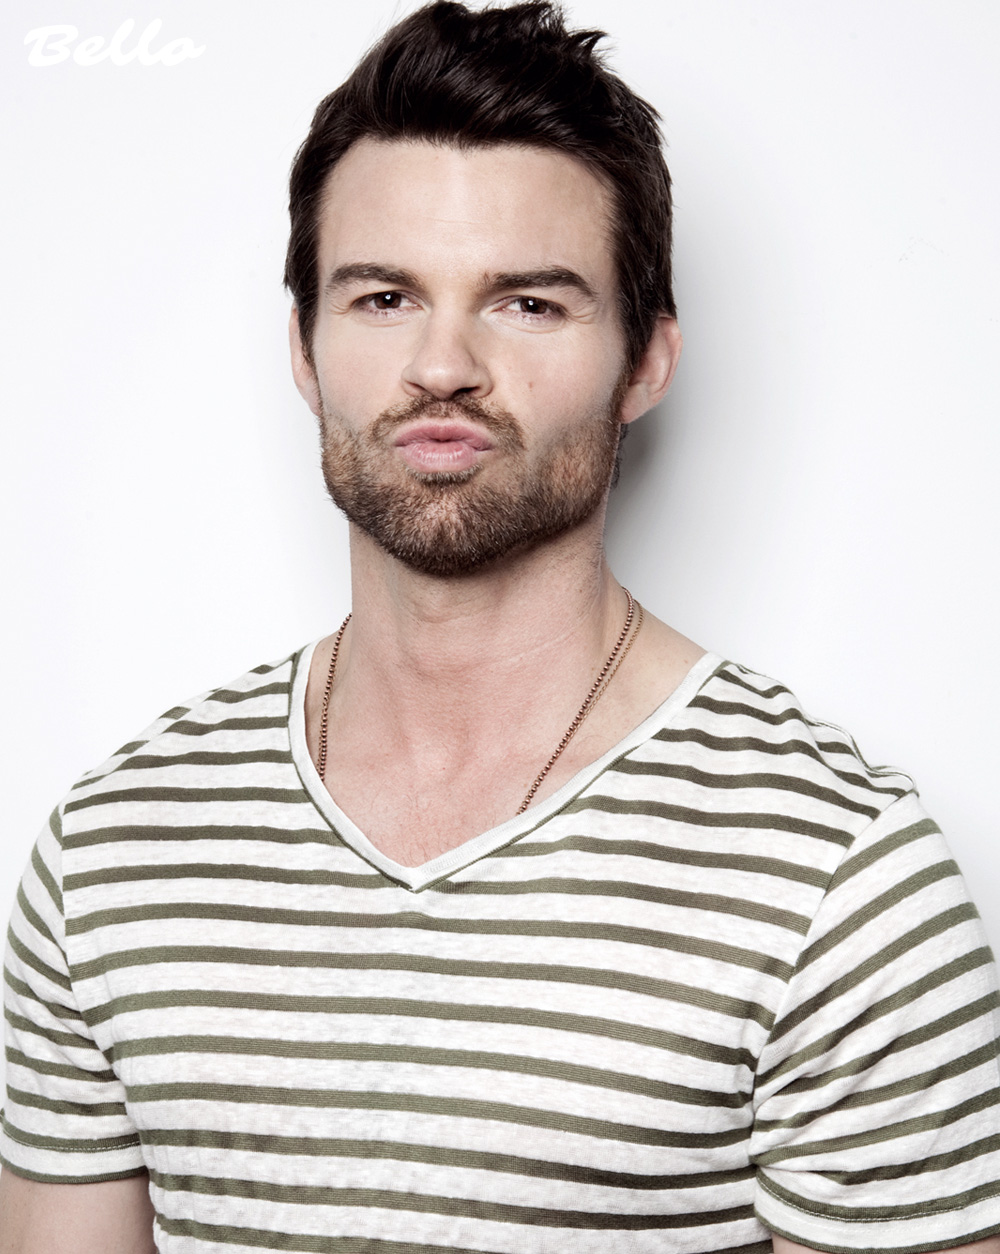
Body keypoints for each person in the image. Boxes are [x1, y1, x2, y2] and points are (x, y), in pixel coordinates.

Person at [2, 2, 998, 1251]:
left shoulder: (835, 874)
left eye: (527, 303)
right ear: (303, 350)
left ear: (646, 362)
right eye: (382, 297)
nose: (442, 366)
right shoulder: (114, 851)